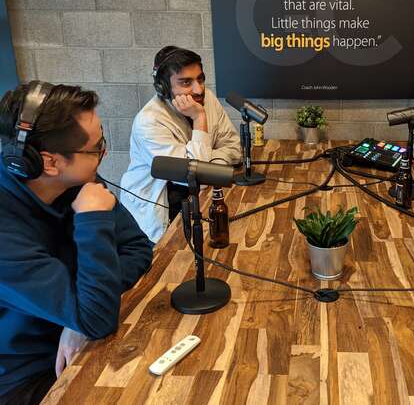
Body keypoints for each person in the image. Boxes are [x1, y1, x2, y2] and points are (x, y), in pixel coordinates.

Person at [0, 81, 153, 405]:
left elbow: (138, 248)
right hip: (26, 376)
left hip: (81, 329)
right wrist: (92, 220)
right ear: (49, 162)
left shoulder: (74, 181)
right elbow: (97, 318)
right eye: (96, 148)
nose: (104, 154)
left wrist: (77, 315)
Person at [120, 46, 241, 243]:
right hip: (161, 215)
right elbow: (194, 177)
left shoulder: (207, 97)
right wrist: (199, 118)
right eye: (186, 82)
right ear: (163, 87)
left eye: (200, 79)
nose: (198, 89)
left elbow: (234, 148)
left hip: (200, 200)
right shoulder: (149, 121)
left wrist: (209, 165)